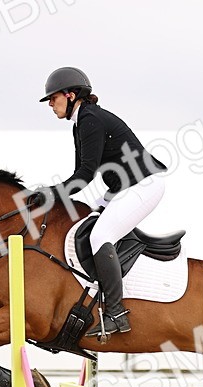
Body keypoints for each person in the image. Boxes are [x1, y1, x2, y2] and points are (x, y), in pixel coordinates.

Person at [31, 67, 168, 337]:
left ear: (70, 95)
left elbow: (83, 177)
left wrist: (49, 193)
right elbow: (79, 175)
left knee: (100, 235)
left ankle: (116, 312)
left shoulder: (90, 119)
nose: (50, 104)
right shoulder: (81, 122)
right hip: (122, 187)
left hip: (144, 184)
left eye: (53, 98)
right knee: (88, 219)